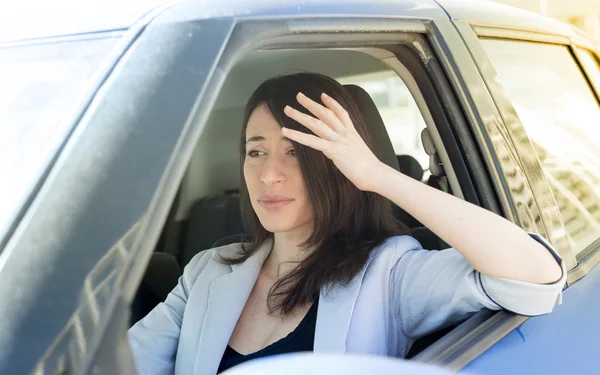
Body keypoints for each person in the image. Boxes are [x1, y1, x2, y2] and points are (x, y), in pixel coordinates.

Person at [128, 73, 565, 375]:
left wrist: (375, 175)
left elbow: (536, 275)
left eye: (296, 151)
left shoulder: (390, 273)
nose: (268, 175)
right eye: (256, 151)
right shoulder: (209, 270)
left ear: (337, 164)